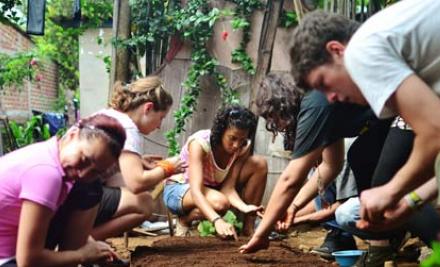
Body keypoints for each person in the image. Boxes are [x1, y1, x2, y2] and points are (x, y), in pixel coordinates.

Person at [289, 0, 440, 251]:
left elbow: (439, 134)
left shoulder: (361, 50)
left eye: (324, 83)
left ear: (337, 51)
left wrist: (390, 190)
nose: (331, 98)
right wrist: (410, 202)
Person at [241, 73, 392, 257]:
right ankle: (386, 240)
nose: (277, 125)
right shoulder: (321, 112)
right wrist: (293, 207)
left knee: (362, 157)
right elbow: (330, 166)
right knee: (360, 156)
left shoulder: (315, 103)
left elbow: (291, 179)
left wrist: (262, 232)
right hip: (381, 123)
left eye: (274, 117)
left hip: (400, 113)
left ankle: (424, 238)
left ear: (283, 105)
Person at [0, 114, 126, 267]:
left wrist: (91, 245)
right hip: (8, 259)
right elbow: (28, 261)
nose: (83, 174)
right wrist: (82, 256)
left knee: (90, 188)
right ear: (73, 135)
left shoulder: (51, 154)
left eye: (96, 172)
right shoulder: (47, 173)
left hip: (12, 251)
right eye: (84, 159)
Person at [91, 76, 186, 240]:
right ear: (148, 108)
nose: (159, 126)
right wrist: (168, 168)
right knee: (144, 202)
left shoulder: (109, 115)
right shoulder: (128, 128)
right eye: (161, 117)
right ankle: (83, 242)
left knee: (129, 187)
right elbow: (136, 183)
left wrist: (138, 161)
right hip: (73, 197)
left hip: (68, 191)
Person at [163, 105, 267, 238]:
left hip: (211, 189)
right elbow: (196, 191)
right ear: (221, 131)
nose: (236, 145)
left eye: (242, 140)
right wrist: (217, 220)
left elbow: (228, 188)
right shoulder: (200, 143)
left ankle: (248, 230)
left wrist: (245, 208)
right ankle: (185, 220)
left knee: (259, 164)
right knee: (220, 203)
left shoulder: (241, 148)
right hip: (179, 190)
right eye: (232, 138)